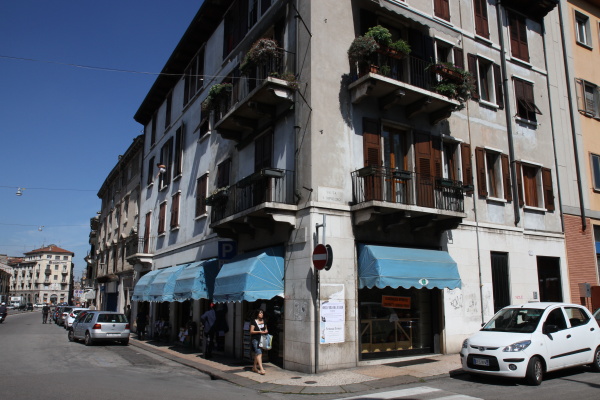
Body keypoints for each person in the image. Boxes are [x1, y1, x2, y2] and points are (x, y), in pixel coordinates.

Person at [250, 309, 268, 375]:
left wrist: (265, 331)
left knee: (257, 353)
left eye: (262, 313)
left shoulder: (264, 321)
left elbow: (266, 329)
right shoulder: (254, 321)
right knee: (259, 353)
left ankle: (254, 367)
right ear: (257, 314)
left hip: (262, 339)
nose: (261, 314)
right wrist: (259, 331)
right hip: (256, 339)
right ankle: (261, 368)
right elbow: (251, 331)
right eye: (260, 313)